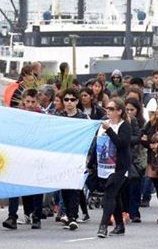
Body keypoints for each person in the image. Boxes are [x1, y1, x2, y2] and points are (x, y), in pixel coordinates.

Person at [3, 89, 44, 230]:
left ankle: (36, 216)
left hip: (35, 156)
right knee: (13, 186)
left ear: (37, 102)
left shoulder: (42, 117)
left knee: (37, 187)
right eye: (28, 101)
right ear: (23, 102)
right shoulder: (17, 116)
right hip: (19, 156)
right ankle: (12, 216)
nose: (30, 105)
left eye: (33, 102)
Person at [94, 98, 131, 238]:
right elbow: (97, 145)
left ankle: (103, 226)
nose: (108, 111)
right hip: (104, 166)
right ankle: (120, 225)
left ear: (119, 111)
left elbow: (122, 144)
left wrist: (109, 130)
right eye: (107, 109)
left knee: (109, 194)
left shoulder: (124, 126)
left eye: (111, 109)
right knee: (115, 195)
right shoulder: (103, 125)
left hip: (119, 167)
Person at [58, 88, 89, 230]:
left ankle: (73, 216)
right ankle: (66, 213)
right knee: (64, 187)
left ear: (77, 101)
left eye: (72, 99)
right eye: (66, 99)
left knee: (75, 187)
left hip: (77, 157)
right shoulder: (58, 117)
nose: (69, 102)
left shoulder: (83, 118)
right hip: (62, 157)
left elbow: (89, 138)